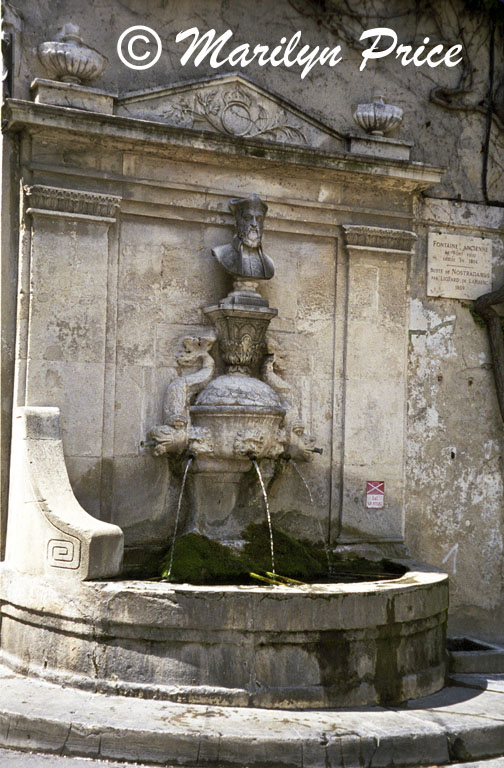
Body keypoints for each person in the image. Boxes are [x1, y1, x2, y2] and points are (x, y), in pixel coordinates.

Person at [212, 194, 274, 280]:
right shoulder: (221, 253)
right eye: (248, 218)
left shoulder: (269, 263)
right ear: (237, 222)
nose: (254, 224)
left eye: (259, 219)